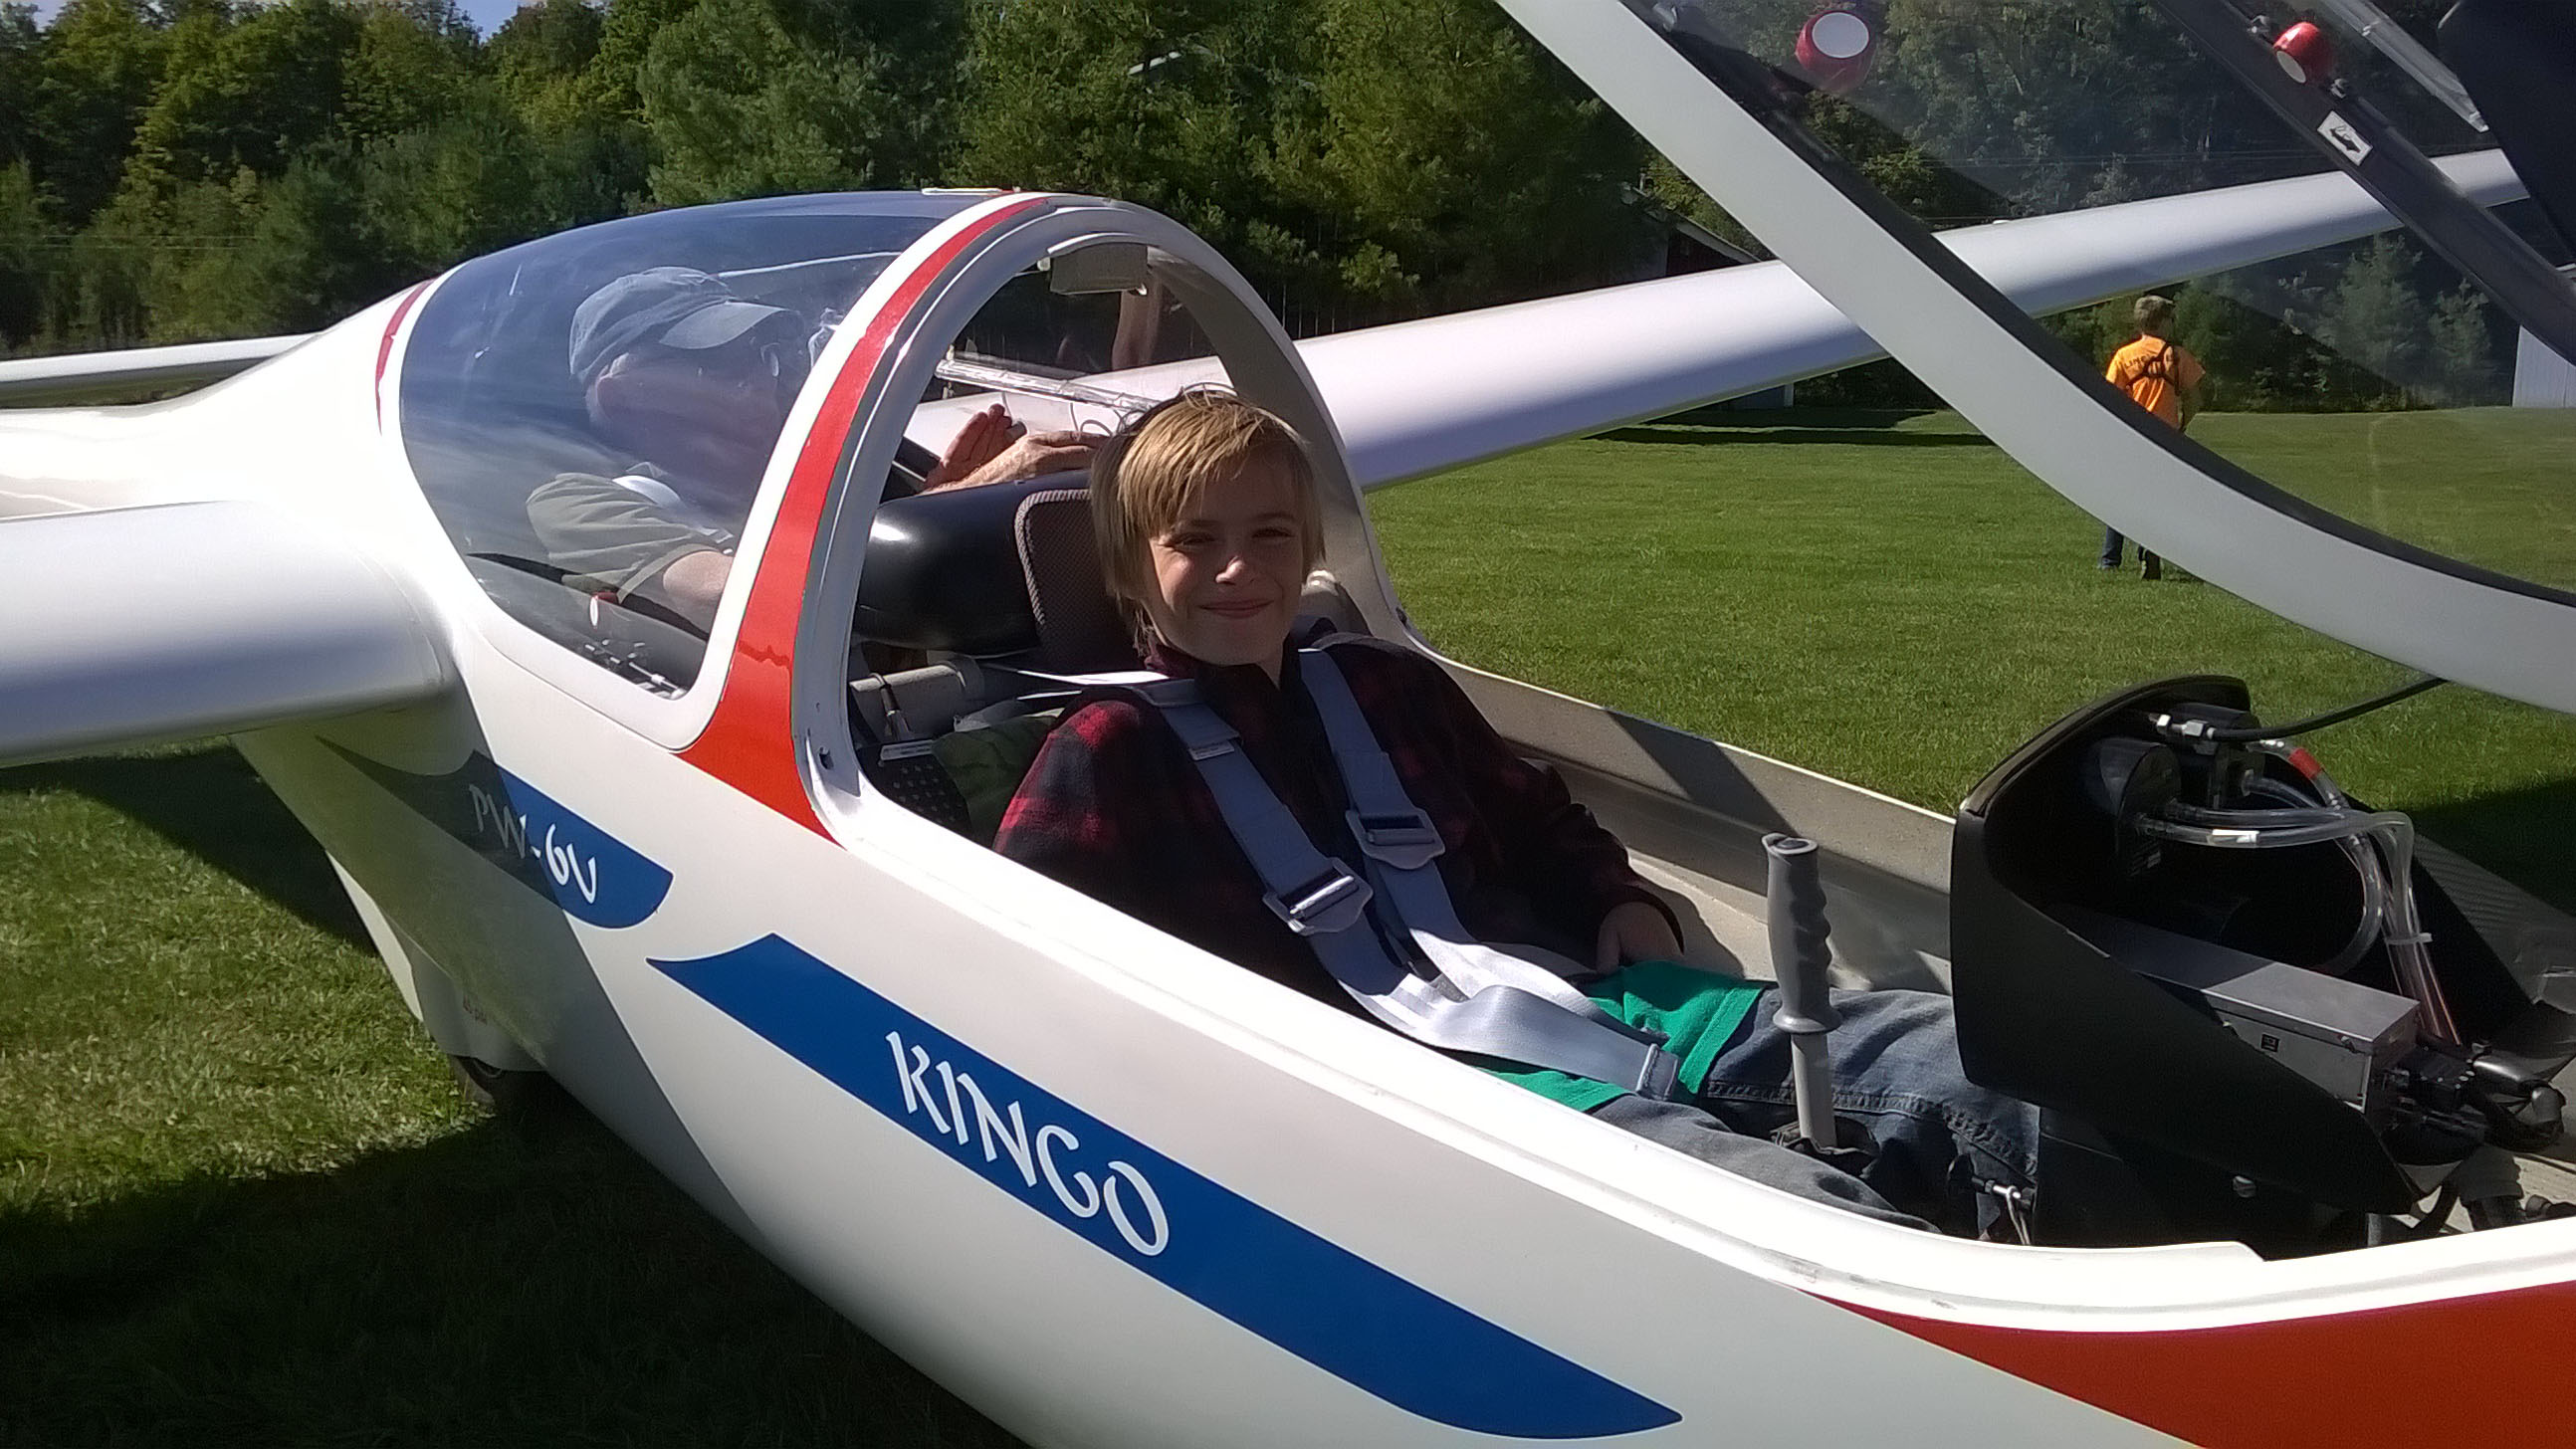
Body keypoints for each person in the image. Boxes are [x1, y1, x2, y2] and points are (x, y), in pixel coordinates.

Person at [994, 391, 2039, 1234]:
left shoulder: (1379, 687)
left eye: (1270, 533)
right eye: (1194, 540)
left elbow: (1540, 820)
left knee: (1974, 1064)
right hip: (1416, 1098)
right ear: (1133, 564)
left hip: (1612, 1003)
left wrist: (1617, 897)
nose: (1240, 570)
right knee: (1815, 1223)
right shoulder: (1103, 755)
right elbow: (1021, 961)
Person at [530, 266, 1096, 632]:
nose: (757, 376)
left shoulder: (834, 466)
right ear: (625, 395)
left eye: (759, 351)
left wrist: (952, 505)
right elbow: (732, 597)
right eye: (718, 360)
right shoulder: (577, 505)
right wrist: (953, 503)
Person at [2099, 294, 2205, 581]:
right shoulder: (2176, 355)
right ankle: (2151, 550)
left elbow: (2112, 396)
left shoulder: (2124, 355)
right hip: (2165, 435)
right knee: (2158, 497)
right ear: (2162, 322)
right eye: (2171, 319)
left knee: (2120, 496)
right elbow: (2194, 397)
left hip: (2132, 432)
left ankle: (2110, 558)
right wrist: (2183, 423)